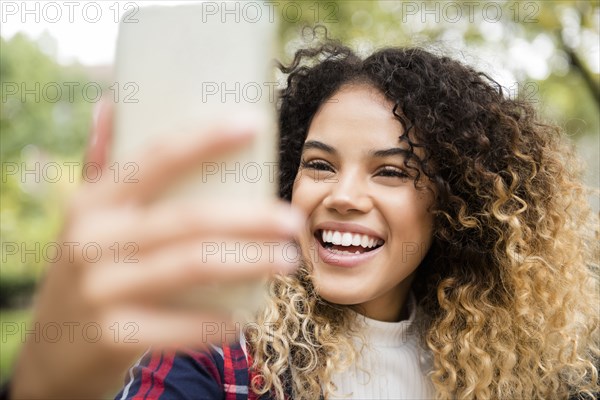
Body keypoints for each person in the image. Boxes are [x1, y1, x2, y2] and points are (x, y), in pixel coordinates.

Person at [6, 39, 599, 399]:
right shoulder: (216, 353)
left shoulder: (517, 369)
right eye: (319, 165)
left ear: (455, 204)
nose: (342, 195)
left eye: (390, 172)